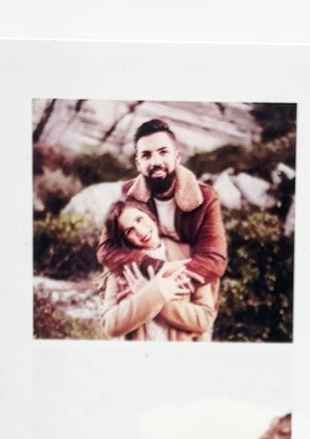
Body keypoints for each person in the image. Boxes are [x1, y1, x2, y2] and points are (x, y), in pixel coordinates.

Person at [97, 118, 228, 300]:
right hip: (143, 283)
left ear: (177, 157)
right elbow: (106, 250)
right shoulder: (130, 194)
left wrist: (162, 286)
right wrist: (157, 268)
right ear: (138, 164)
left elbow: (214, 259)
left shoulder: (205, 197)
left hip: (188, 291)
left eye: (163, 152)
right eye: (146, 155)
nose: (156, 162)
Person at [97, 197, 217, 341]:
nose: (140, 231)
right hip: (139, 353)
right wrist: (152, 295)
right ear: (124, 238)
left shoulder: (188, 253)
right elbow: (110, 326)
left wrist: (155, 297)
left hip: (180, 353)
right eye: (129, 230)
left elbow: (205, 320)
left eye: (139, 219)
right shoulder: (120, 266)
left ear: (150, 215)